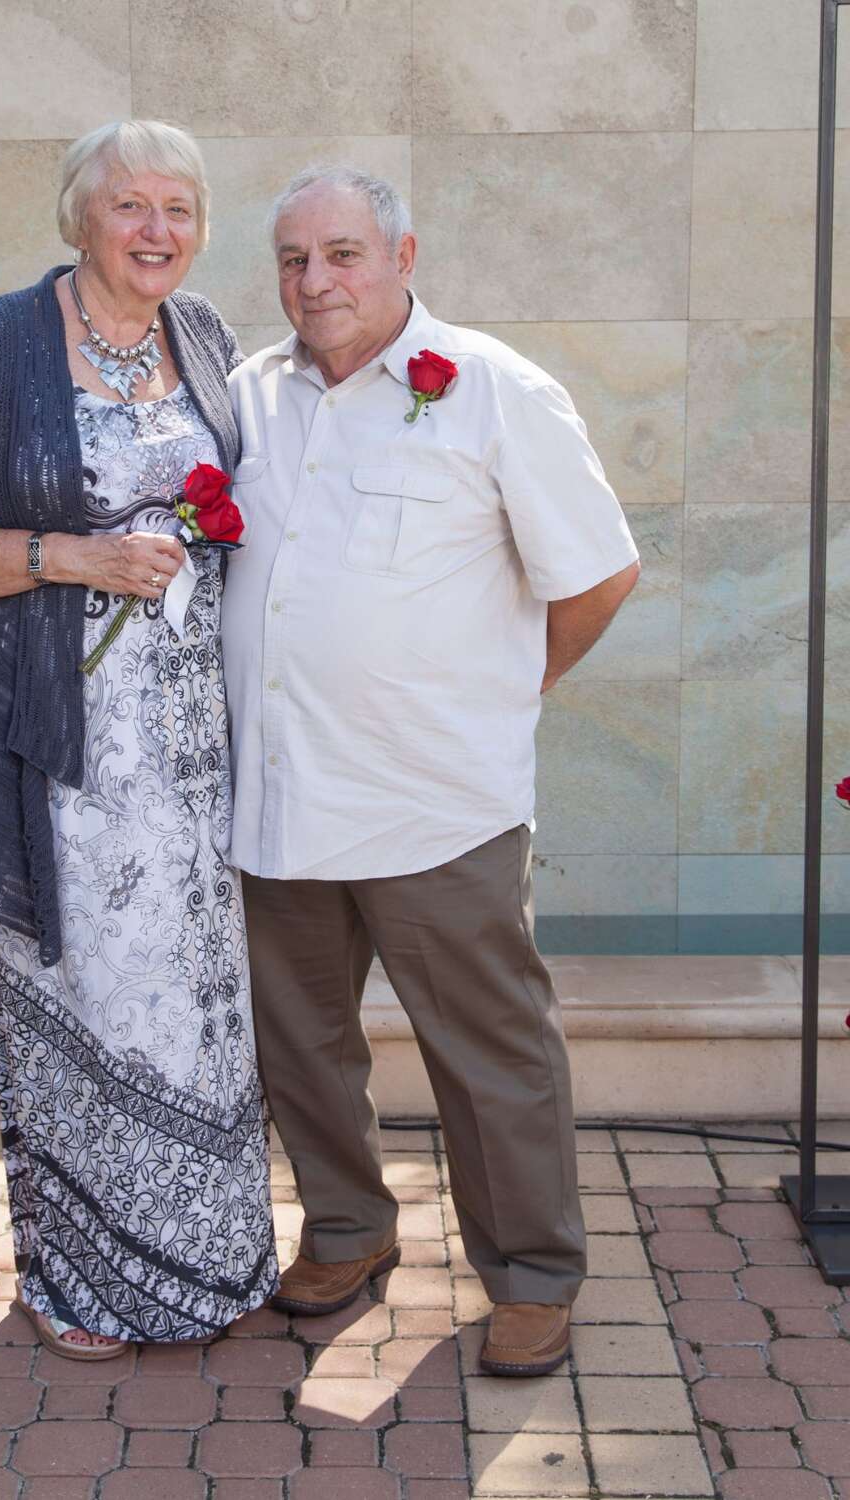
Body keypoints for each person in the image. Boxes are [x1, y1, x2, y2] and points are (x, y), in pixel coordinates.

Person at [222, 166, 640, 1378]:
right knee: (299, 1045)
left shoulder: (497, 392)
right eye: (296, 260)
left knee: (490, 1052)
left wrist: (505, 695)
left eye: (344, 254)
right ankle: (348, 1230)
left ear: (407, 257)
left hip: (437, 802)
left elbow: (599, 572)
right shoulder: (250, 394)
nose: (318, 281)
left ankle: (530, 1276)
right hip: (280, 797)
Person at [0, 120, 277, 1360]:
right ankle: (86, 1282)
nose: (157, 230)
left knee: (196, 1010)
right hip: (59, 756)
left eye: (180, 206)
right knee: (88, 999)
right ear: (80, 216)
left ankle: (208, 1268)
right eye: (131, 206)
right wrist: (72, 558)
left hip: (192, 755)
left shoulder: (204, 336)